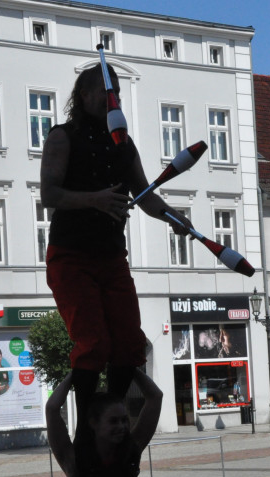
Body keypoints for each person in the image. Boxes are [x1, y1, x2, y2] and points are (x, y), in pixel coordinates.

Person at [41, 62, 192, 420]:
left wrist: (173, 217)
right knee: (93, 342)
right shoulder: (62, 137)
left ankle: (112, 413)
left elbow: (144, 194)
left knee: (128, 344)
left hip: (110, 257)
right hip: (71, 256)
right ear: (84, 95)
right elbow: (49, 194)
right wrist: (94, 199)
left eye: (118, 96)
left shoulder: (123, 146)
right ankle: (90, 427)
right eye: (108, 94)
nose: (115, 101)